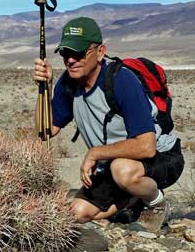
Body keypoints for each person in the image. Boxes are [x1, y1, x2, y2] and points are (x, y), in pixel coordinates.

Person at [33, 17, 184, 232]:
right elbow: (45, 131)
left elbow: (146, 146)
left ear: (100, 51)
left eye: (79, 53)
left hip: (162, 157)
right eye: (66, 53)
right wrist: (44, 88)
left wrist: (95, 153)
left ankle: (155, 201)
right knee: (77, 213)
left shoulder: (121, 81)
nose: (71, 60)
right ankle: (132, 198)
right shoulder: (68, 83)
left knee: (122, 170)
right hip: (111, 165)